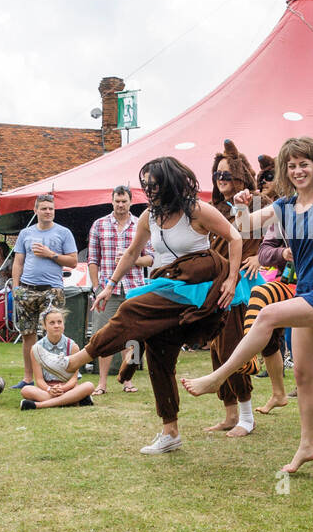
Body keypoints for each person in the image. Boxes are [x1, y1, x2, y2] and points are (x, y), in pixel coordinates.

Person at [181, 137, 313, 475]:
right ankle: (308, 444)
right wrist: (240, 204)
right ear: (285, 169)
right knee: (303, 374)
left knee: (267, 313)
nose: (298, 170)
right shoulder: (284, 206)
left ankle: (218, 376)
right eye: (292, 165)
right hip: (308, 293)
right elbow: (244, 226)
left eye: (304, 163)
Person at [60, 157, 243, 454]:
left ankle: (79, 358)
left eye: (155, 185)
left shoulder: (196, 210)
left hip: (195, 287)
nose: (150, 190)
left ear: (170, 183)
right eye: (147, 185)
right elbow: (132, 252)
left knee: (132, 310)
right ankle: (170, 432)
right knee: (159, 354)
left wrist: (231, 279)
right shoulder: (149, 216)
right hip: (165, 284)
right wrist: (108, 285)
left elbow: (234, 238)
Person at [203, 141, 265, 436]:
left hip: (240, 286)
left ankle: (246, 416)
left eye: (226, 175)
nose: (221, 180)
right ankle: (229, 414)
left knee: (232, 349)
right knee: (216, 349)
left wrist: (259, 255)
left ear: (240, 177)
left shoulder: (255, 204)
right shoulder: (213, 208)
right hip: (215, 284)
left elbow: (281, 235)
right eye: (217, 175)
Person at [85, 186, 153, 395]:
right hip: (106, 288)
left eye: (124, 201)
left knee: (133, 336)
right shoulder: (99, 225)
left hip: (134, 288)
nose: (121, 205)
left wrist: (131, 259)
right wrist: (97, 287)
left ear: (131, 202)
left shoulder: (140, 224)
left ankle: (127, 380)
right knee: (103, 335)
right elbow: (92, 259)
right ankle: (102, 383)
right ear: (112, 201)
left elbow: (150, 258)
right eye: (118, 201)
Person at [11, 194, 77, 388]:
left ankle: (57, 376)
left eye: (51, 209)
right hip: (27, 289)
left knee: (54, 334)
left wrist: (51, 254)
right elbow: (18, 261)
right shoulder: (25, 233)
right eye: (44, 208)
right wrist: (16, 287)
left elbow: (72, 261)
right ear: (36, 211)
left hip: (52, 290)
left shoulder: (64, 233)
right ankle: (28, 378)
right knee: (28, 334)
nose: (48, 212)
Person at [20, 308, 96, 409]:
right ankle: (73, 401)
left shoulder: (73, 347)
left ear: (63, 324)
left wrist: (63, 388)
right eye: (52, 323)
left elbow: (74, 379)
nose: (56, 325)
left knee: (89, 386)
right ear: (44, 326)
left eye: (59, 322)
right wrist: (49, 389)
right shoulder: (36, 349)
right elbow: (39, 380)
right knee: (26, 390)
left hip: (69, 388)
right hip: (47, 389)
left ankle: (39, 405)